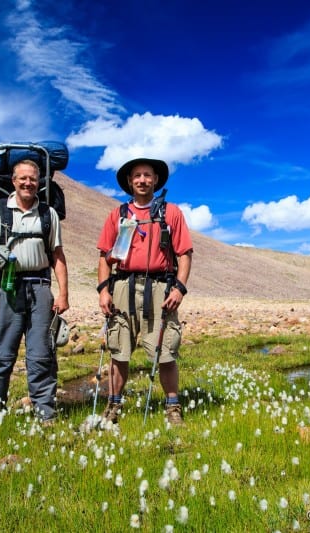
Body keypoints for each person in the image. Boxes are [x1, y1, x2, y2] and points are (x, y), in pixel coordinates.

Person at [96, 157, 193, 427]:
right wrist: (104, 292)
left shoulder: (171, 213)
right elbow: (105, 257)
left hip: (161, 288)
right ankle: (113, 405)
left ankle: (173, 407)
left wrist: (179, 289)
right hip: (122, 286)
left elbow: (184, 254)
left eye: (147, 175)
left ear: (156, 180)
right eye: (137, 175)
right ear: (129, 181)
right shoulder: (118, 215)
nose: (142, 180)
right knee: (119, 349)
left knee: (166, 351)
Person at [0, 159, 69, 424]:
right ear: (13, 181)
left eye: (33, 179)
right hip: (6, 288)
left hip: (41, 288)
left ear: (40, 182)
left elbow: (58, 256)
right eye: (23, 178)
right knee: (3, 354)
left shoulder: (48, 214)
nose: (28, 183)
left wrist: (63, 294)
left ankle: (45, 414)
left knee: (42, 354)